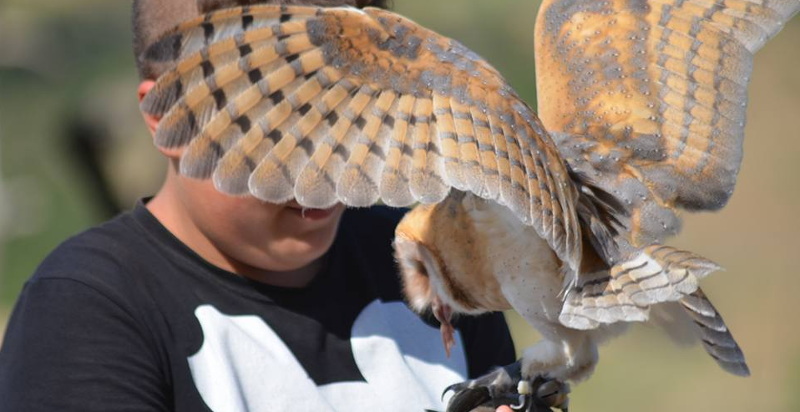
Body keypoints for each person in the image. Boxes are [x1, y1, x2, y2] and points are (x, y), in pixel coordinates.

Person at [0, 0, 516, 410]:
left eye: (349, 113)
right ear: (168, 116)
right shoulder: (86, 312)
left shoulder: (434, 261)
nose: (325, 164)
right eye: (280, 125)